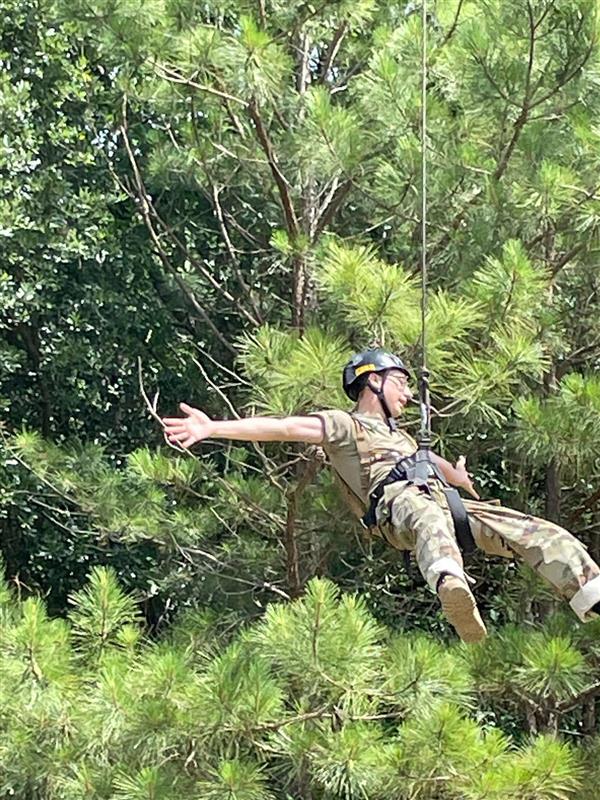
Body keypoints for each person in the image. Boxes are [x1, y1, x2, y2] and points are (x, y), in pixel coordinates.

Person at [161, 349, 600, 643]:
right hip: (399, 507)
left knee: (536, 530)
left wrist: (458, 476)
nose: (408, 394)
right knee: (427, 515)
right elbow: (288, 428)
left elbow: (433, 463)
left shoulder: (405, 438)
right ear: (372, 383)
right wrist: (212, 428)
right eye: (400, 384)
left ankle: (591, 594)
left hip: (442, 500)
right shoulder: (344, 426)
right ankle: (450, 583)